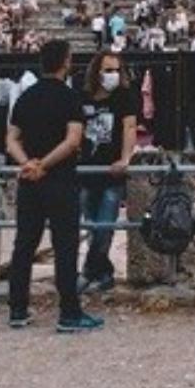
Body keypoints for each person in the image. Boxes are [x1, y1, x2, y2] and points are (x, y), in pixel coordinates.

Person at [3, 39, 102, 333]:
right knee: (65, 246)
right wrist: (44, 165)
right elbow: (72, 141)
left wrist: (28, 165)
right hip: (60, 180)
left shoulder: (26, 97)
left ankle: (17, 309)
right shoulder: (71, 99)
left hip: (30, 182)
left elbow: (11, 139)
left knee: (24, 245)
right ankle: (69, 313)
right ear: (66, 62)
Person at [76, 50, 136, 296]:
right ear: (96, 72)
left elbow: (129, 127)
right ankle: (105, 273)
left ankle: (88, 272)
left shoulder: (125, 96)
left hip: (112, 173)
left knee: (104, 225)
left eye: (116, 70)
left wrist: (125, 158)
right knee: (92, 226)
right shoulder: (83, 97)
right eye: (107, 70)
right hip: (87, 172)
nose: (113, 75)